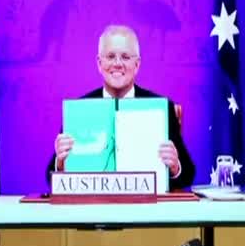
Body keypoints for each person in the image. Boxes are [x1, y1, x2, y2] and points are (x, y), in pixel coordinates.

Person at [46, 25, 195, 189]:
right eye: (110, 56)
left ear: (137, 65)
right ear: (99, 64)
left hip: (145, 204)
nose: (117, 63)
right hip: (94, 204)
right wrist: (60, 164)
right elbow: (50, 178)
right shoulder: (80, 110)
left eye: (125, 57)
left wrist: (175, 167)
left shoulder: (162, 108)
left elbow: (188, 174)